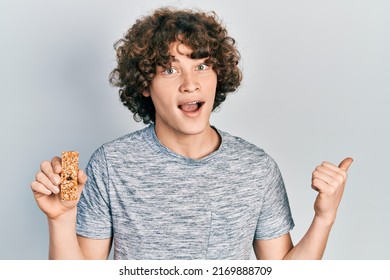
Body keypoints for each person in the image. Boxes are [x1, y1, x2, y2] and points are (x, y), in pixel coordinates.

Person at [30, 7, 353, 260]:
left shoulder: (256, 168)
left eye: (201, 66)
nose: (190, 83)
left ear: (218, 75)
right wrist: (61, 220)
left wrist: (324, 217)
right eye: (170, 70)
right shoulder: (112, 164)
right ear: (144, 84)